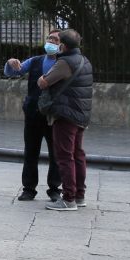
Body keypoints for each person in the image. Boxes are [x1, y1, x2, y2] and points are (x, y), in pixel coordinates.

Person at [37, 29, 93, 212]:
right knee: (78, 154)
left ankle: (68, 198)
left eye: (59, 41)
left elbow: (44, 82)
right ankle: (79, 195)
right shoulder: (85, 60)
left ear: (64, 45)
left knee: (65, 156)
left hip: (65, 114)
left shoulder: (64, 62)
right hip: (81, 114)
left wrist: (40, 78)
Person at [4, 31, 63, 202]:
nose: (51, 42)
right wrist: (10, 64)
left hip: (53, 114)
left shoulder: (63, 63)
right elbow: (15, 71)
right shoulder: (36, 60)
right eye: (49, 38)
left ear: (61, 44)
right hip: (32, 113)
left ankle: (54, 188)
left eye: (55, 39)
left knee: (56, 152)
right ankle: (29, 188)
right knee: (31, 151)